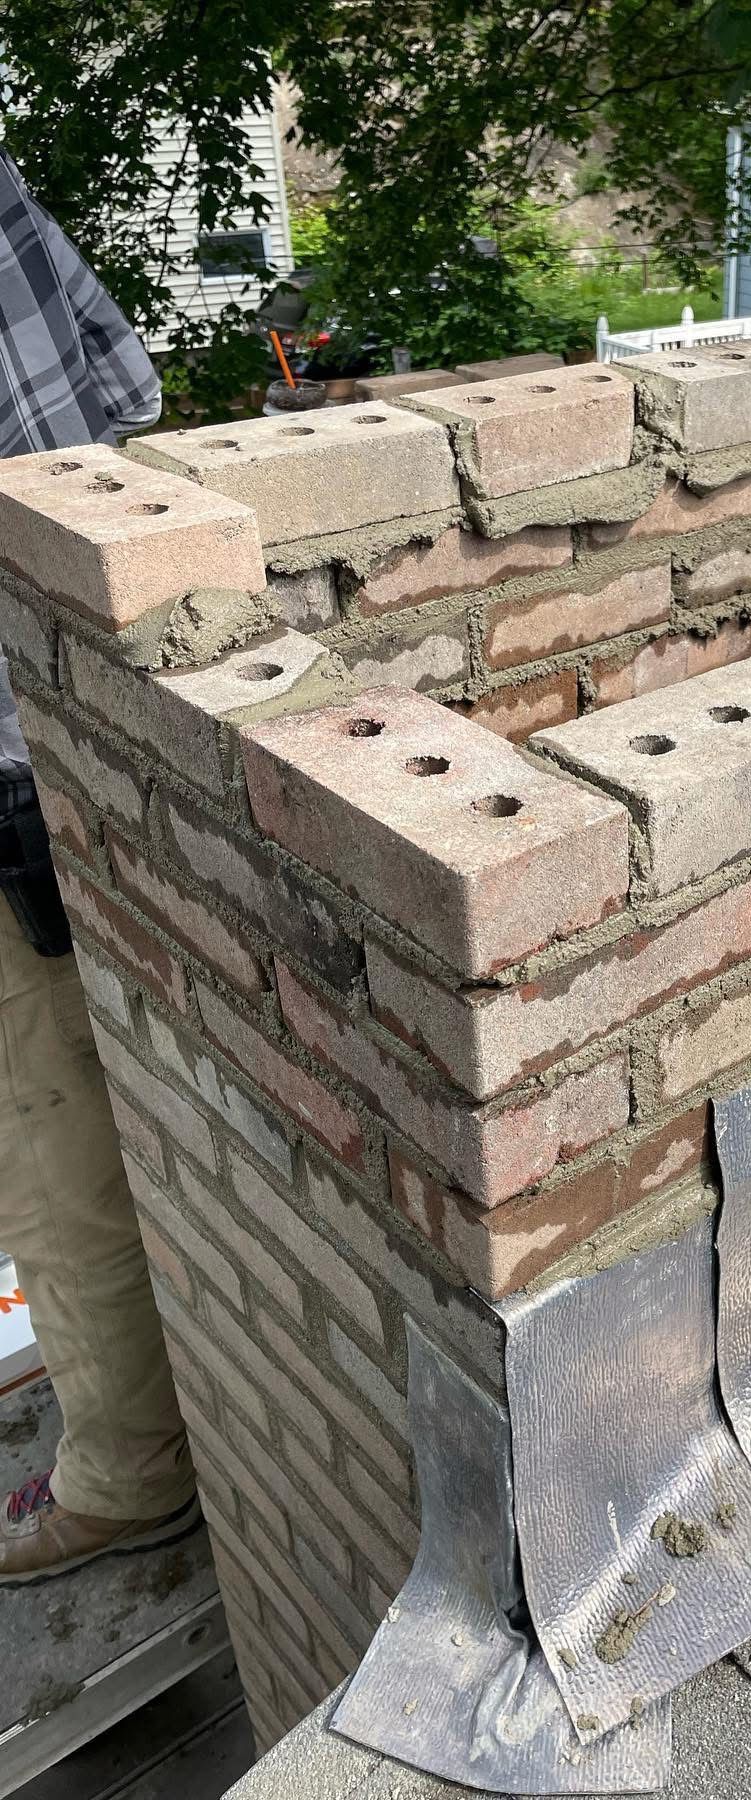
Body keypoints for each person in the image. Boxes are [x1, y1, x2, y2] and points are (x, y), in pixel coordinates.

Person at [0, 149, 197, 1583]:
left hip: (14, 768)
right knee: (113, 1117)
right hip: (93, 727)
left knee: (51, 1155)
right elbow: (125, 394)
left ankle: (134, 1475)